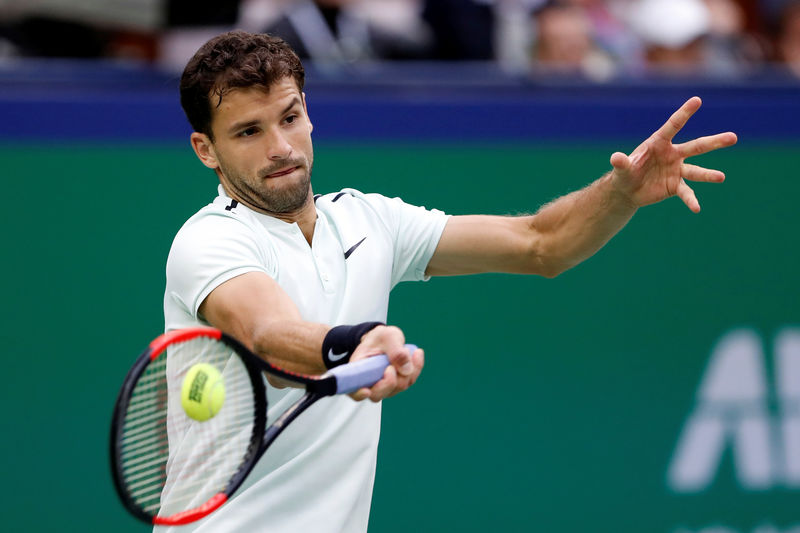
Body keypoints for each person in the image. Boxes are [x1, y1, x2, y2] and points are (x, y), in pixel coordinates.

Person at [162, 30, 737, 532]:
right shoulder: (209, 241)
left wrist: (621, 194)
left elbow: (542, 244)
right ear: (205, 150)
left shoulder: (368, 220)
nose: (281, 148)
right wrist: (353, 344)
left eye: (289, 118)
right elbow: (267, 333)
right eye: (248, 132)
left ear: (308, 111)